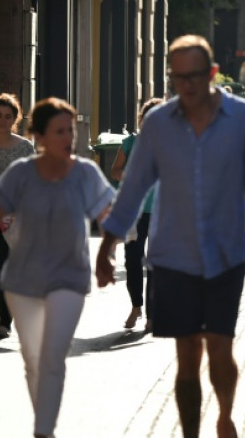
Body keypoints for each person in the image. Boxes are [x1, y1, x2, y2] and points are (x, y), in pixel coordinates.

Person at [95, 35, 245, 438]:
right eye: (177, 76)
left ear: (213, 74)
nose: (186, 85)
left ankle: (224, 415)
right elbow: (132, 189)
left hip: (227, 253)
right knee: (186, 355)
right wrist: (108, 246)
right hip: (172, 256)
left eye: (194, 76)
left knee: (219, 347)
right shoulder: (158, 125)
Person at [0, 97, 115, 438]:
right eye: (59, 131)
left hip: (69, 277)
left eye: (70, 130)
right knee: (33, 360)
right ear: (39, 136)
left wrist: (107, 254)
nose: (68, 137)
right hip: (22, 280)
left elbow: (107, 217)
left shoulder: (85, 173)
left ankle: (43, 431)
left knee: (53, 357)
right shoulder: (21, 173)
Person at [0, 93, 35, 339]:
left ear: (15, 119)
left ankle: (10, 313)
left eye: (8, 117)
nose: (3, 121)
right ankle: (4, 319)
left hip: (16, 216)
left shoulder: (25, 147)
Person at [109, 97, 164, 331]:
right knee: (132, 260)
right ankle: (136, 306)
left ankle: (152, 315)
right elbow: (115, 171)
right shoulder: (130, 143)